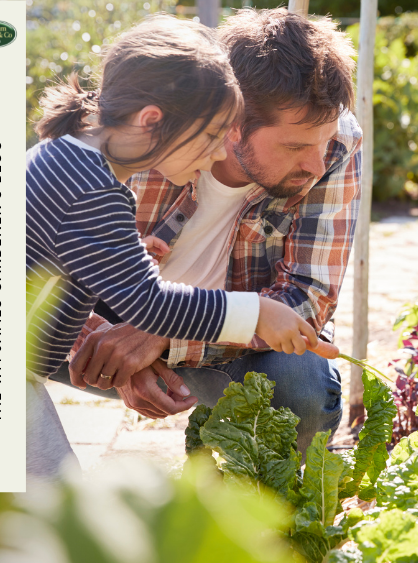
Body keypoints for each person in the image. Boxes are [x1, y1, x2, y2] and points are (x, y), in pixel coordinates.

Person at [0, 14, 319, 479]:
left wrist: (124, 252)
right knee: (52, 498)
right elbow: (150, 305)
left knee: (9, 491)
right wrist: (257, 312)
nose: (221, 153)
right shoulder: (93, 189)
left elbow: (53, 250)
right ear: (151, 121)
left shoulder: (74, 159)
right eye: (210, 136)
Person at [53, 8, 362, 454]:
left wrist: (162, 332)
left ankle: (225, 476)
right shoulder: (135, 133)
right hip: (107, 326)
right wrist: (113, 355)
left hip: (222, 339)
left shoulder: (334, 143)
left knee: (302, 390)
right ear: (233, 127)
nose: (316, 164)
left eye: (323, 141)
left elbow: (307, 298)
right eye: (295, 146)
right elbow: (27, 269)